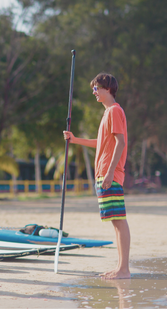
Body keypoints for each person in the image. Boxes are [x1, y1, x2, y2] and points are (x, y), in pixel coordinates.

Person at [63, 72, 130, 279]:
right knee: (115, 221)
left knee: (119, 221)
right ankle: (121, 268)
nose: (94, 92)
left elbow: (121, 142)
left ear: (108, 89)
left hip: (110, 174)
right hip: (103, 173)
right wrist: (75, 140)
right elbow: (101, 143)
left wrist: (110, 172)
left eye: (97, 88)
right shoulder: (107, 114)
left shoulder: (114, 111)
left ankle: (123, 269)